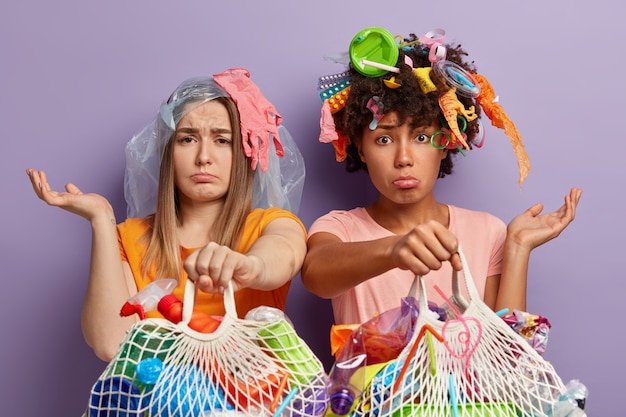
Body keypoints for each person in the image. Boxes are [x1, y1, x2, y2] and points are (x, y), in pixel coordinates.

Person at [301, 27, 582, 326]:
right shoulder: (340, 229)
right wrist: (394, 249)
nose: (404, 159)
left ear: (448, 141)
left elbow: (507, 359)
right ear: (360, 146)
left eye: (421, 137)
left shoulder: (487, 232)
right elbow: (316, 274)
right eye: (384, 140)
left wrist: (517, 247)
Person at [26, 68, 307, 361]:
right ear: (167, 152)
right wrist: (101, 218)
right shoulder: (127, 237)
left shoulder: (271, 225)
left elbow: (283, 255)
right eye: (188, 139)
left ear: (244, 152)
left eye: (222, 140)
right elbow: (110, 344)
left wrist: (250, 266)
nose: (204, 157)